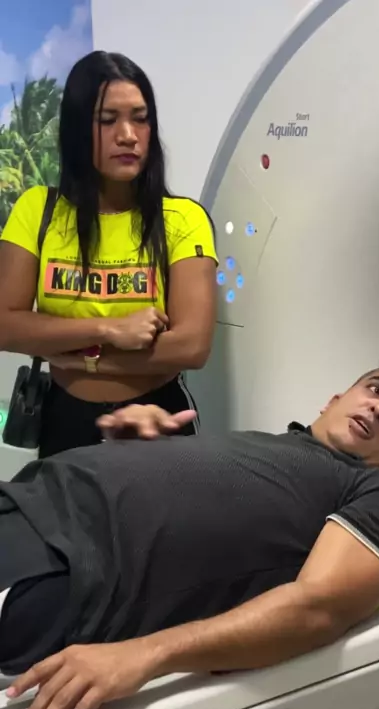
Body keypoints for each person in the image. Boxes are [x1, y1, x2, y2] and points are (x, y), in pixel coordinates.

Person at [0, 356, 379, 709]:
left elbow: (317, 607)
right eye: (378, 389)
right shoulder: (267, 445)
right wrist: (135, 454)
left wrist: (147, 653)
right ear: (334, 401)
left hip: (54, 563)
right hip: (25, 498)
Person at [0, 51, 217, 457]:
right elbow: (5, 325)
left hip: (157, 420)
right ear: (77, 129)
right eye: (108, 120)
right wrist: (108, 330)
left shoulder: (183, 219)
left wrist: (77, 358)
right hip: (64, 421)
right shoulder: (37, 209)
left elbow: (191, 346)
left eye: (140, 118)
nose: (128, 135)